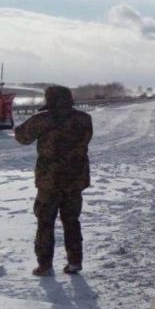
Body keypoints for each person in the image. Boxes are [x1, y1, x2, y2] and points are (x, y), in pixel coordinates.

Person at [14, 85, 93, 276]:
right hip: (75, 179)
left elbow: (22, 137)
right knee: (72, 220)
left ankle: (45, 265)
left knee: (45, 222)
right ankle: (74, 261)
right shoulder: (84, 119)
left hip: (49, 181)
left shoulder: (42, 119)